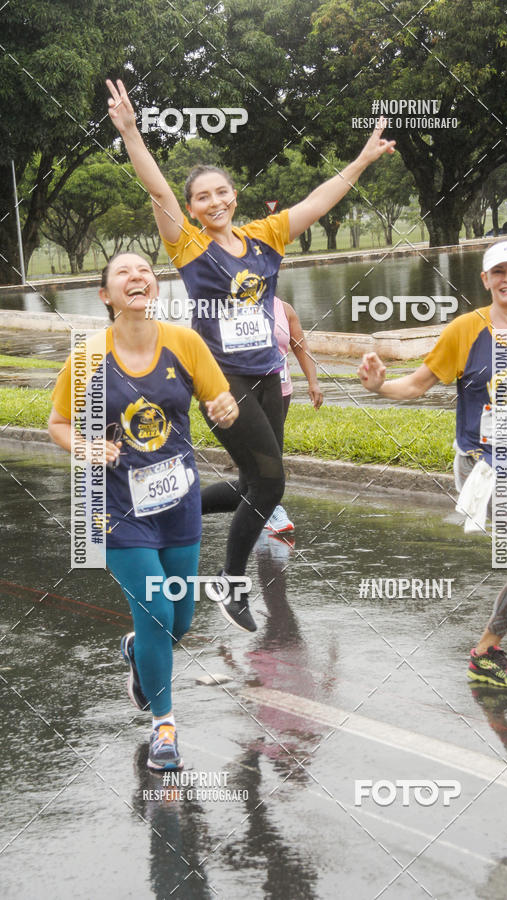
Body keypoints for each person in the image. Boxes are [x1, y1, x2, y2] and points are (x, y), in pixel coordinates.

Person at [106, 78, 394, 633]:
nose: (214, 202)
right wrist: (131, 134)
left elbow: (317, 199)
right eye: (202, 197)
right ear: (193, 208)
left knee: (256, 482)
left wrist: (360, 161)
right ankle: (230, 583)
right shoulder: (189, 246)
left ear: (234, 194)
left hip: (268, 374)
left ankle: (172, 501)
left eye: (222, 192)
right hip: (220, 378)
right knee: (272, 483)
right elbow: (159, 193)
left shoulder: (266, 236)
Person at [358, 239, 507, 697]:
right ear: (485, 280)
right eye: (499, 271)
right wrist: (379, 387)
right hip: (484, 469)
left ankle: (487, 649)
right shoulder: (466, 330)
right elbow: (416, 384)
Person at [48, 252, 238, 770]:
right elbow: (59, 423)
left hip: (178, 503)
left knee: (179, 619)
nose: (138, 278)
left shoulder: (185, 343)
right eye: (124, 273)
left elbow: (222, 400)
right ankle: (164, 726)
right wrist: (84, 447)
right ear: (106, 296)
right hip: (114, 508)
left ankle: (139, 651)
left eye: (145, 272)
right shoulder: (88, 356)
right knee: (156, 609)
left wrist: (225, 407)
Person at [264, 296, 324, 534]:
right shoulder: (232, 306)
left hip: (280, 392)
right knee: (261, 452)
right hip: (248, 394)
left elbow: (301, 348)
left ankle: (263, 505)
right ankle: (269, 506)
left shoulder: (284, 309)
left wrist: (313, 382)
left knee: (273, 450)